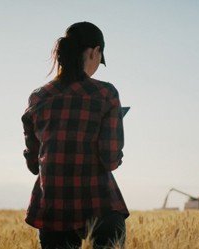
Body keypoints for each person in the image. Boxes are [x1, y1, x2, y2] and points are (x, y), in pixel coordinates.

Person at [21, 21, 129, 249]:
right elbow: (110, 159)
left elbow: (33, 164)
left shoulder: (38, 98)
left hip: (52, 210)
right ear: (94, 52)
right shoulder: (105, 93)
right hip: (98, 204)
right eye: (100, 59)